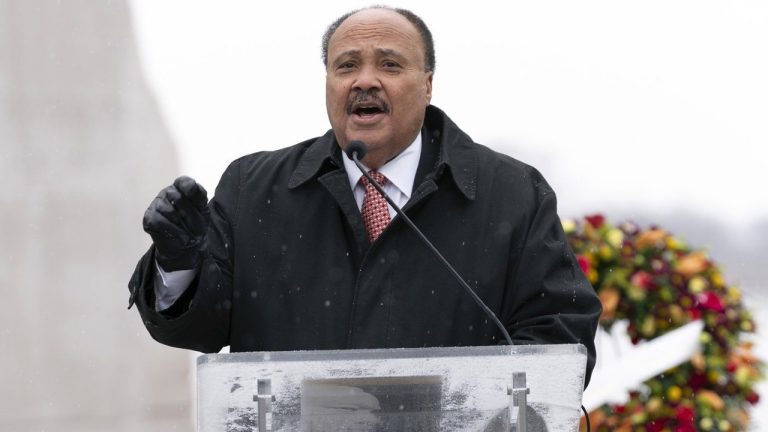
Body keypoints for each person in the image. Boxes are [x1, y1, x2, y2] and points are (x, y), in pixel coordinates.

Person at [128, 6, 602, 386]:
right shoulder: (253, 189)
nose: (365, 80)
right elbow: (200, 328)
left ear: (429, 84)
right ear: (329, 83)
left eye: (390, 64)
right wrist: (179, 262)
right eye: (346, 65)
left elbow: (558, 337)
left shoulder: (513, 193)